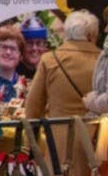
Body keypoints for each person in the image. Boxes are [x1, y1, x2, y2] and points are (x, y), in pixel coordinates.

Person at [23, 10, 100, 145]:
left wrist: (31, 142)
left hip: (59, 136)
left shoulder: (50, 60)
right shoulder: (104, 59)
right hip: (98, 136)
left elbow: (33, 106)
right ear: (92, 34)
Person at [0, 25, 26, 103]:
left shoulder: (25, 86)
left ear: (21, 56)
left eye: (13, 49)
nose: (8, 52)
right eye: (4, 47)